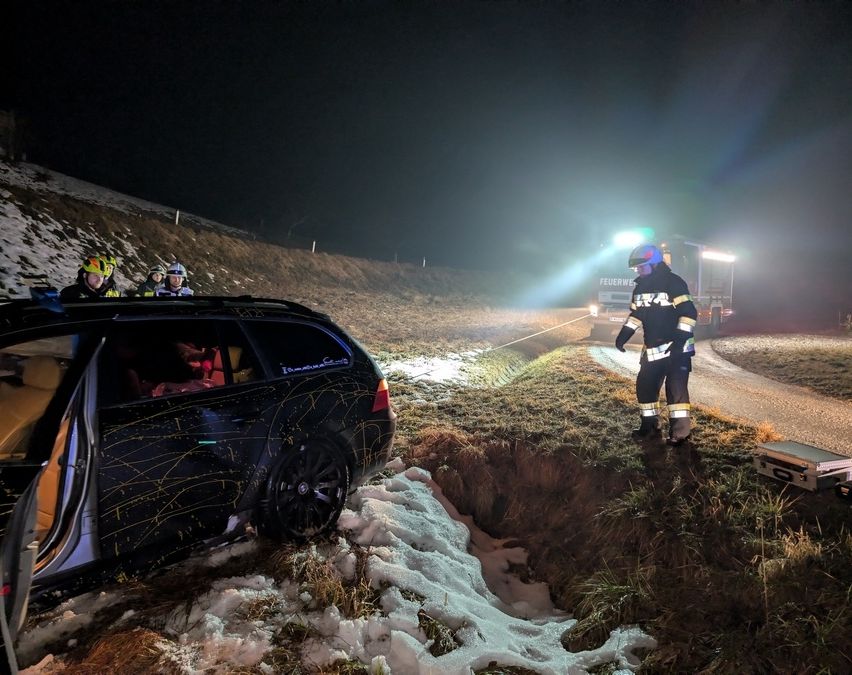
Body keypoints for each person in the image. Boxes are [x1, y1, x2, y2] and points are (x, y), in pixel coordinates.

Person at [614, 244, 698, 446]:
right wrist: (623, 336)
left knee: (675, 392)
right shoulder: (640, 287)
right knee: (645, 387)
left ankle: (680, 434)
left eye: (641, 267)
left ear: (654, 264)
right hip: (652, 350)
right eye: (636, 268)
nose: (638, 271)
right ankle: (650, 428)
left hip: (677, 350)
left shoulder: (673, 283)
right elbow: (636, 315)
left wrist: (679, 341)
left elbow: (689, 313)